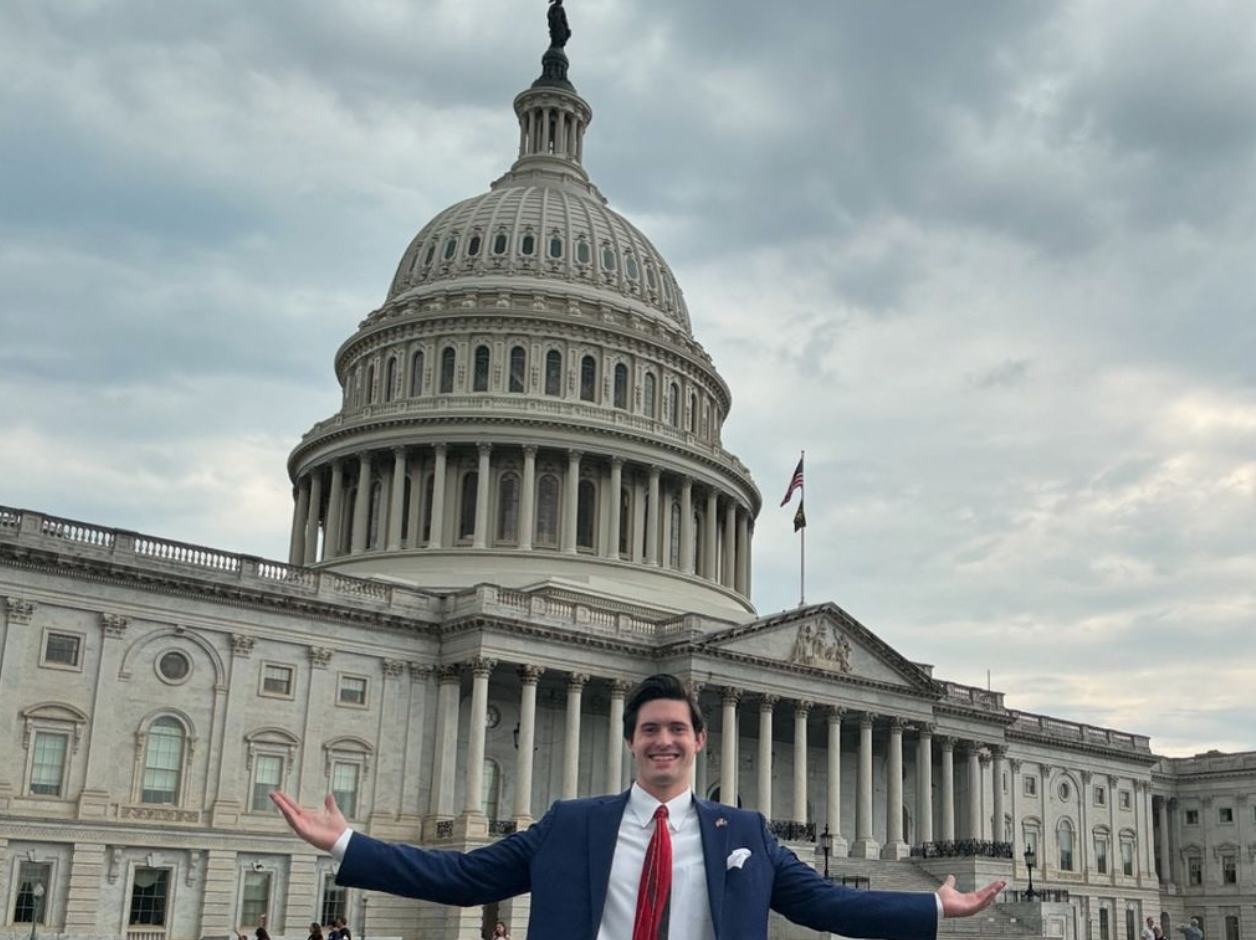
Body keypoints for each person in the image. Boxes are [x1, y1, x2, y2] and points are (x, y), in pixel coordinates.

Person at [272, 673, 1005, 940]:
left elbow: (823, 905)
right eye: (650, 729)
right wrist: (348, 847)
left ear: (698, 741)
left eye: (675, 730)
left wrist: (935, 909)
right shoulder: (570, 825)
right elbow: (465, 880)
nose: (664, 742)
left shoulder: (741, 833)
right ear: (631, 742)